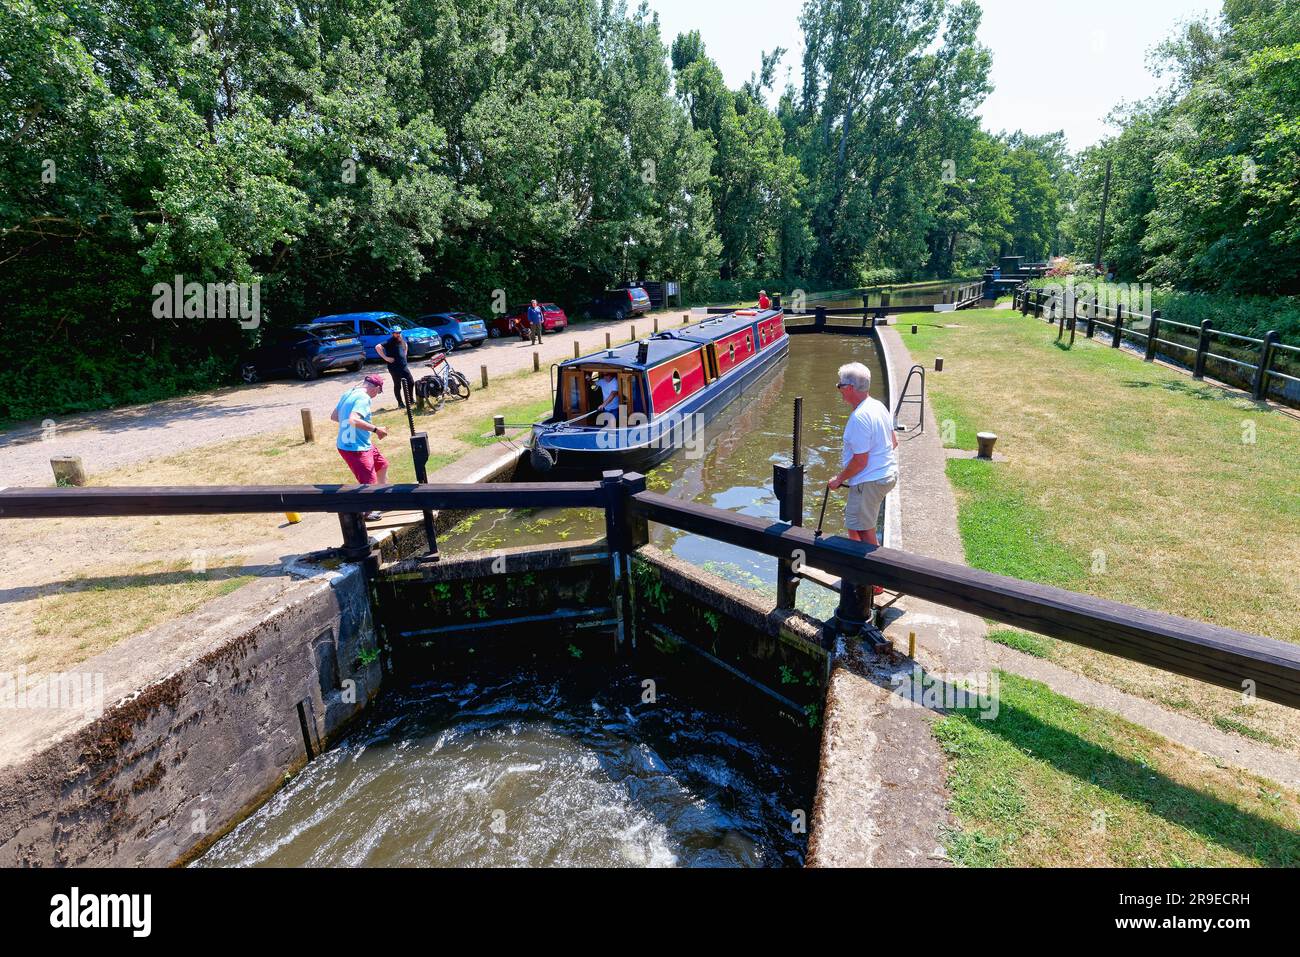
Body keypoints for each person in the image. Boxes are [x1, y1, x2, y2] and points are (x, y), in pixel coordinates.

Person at [827, 362, 898, 556]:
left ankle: (875, 581)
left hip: (869, 480)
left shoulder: (859, 417)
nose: (839, 390)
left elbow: (860, 461)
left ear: (849, 388)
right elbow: (894, 442)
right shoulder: (878, 406)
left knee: (864, 530)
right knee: (855, 523)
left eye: (839, 385)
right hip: (886, 475)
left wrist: (839, 479)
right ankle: (858, 568)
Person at [331, 374, 389, 521]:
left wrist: (353, 430)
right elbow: (353, 419)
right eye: (379, 392)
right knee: (368, 483)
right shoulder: (364, 398)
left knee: (382, 465)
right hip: (355, 448)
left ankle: (385, 499)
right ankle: (366, 513)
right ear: (376, 388)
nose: (377, 395)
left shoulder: (349, 392)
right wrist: (377, 429)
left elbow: (335, 416)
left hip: (359, 443)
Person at [375, 325, 414, 409]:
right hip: (394, 367)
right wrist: (385, 358)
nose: (398, 334)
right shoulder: (390, 341)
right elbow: (377, 347)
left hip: (403, 366)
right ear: (392, 333)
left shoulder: (401, 339)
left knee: (411, 382)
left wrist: (405, 354)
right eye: (396, 333)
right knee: (398, 385)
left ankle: (411, 400)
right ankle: (400, 403)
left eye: (399, 332)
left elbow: (405, 345)